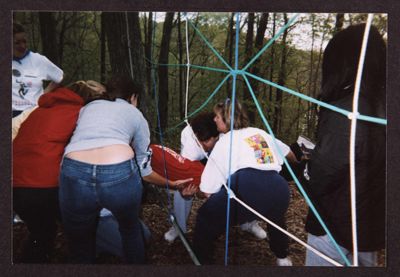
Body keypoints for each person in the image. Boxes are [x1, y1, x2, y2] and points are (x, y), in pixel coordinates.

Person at [58, 75, 192, 264]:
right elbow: (144, 170)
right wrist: (172, 184)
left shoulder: (87, 108)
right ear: (133, 97)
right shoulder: (135, 114)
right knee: (130, 231)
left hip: (74, 170)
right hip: (118, 172)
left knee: (80, 243)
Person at [303, 24, 386, 266]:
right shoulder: (385, 102)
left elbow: (322, 174)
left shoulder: (347, 110)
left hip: (334, 228)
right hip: (369, 228)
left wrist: (303, 166)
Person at [190, 99, 298, 265]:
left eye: (217, 116)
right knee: (275, 219)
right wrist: (297, 163)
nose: (214, 119)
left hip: (248, 188)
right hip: (280, 188)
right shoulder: (259, 133)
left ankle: (202, 261)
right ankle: (282, 257)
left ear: (227, 119)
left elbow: (207, 189)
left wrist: (212, 201)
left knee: (205, 216)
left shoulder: (225, 141)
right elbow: (287, 152)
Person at [13, 80, 106, 263]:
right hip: (45, 186)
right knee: (83, 224)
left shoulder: (40, 111)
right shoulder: (80, 114)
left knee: (42, 232)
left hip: (15, 184)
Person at [12, 22, 64, 117]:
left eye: (24, 41)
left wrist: (43, 95)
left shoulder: (38, 60)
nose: (22, 46)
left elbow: (59, 76)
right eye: (17, 43)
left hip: (33, 113)